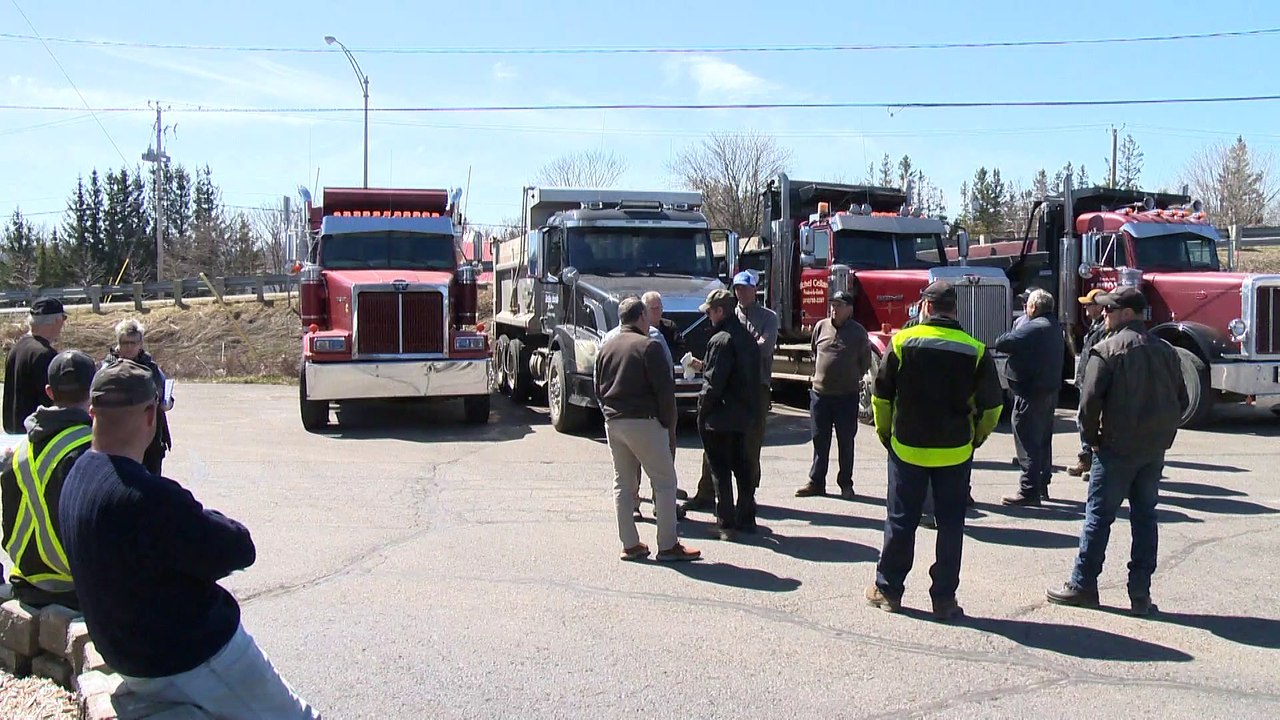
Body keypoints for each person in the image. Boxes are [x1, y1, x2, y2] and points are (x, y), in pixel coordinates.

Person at [59, 360, 320, 717]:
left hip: (129, 659)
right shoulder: (146, 498)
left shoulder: (76, 476)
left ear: (92, 412)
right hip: (191, 656)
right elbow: (237, 548)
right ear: (151, 414)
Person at [865, 281, 1003, 621]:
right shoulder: (975, 349)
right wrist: (976, 439)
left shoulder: (901, 342)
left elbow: (881, 396)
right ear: (955, 309)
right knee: (951, 526)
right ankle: (944, 599)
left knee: (901, 521)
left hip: (908, 448)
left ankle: (889, 590)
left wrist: (885, 433)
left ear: (925, 307)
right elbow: (992, 407)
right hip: (955, 451)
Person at [1047, 286, 1187, 617]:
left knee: (1098, 517)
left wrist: (1092, 440)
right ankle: (1140, 594)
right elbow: (1181, 399)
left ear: (1127, 314)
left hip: (1115, 447)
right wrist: (1162, 432)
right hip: (1152, 449)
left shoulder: (1107, 350)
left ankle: (1083, 584)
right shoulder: (1166, 350)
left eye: (1109, 309)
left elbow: (1088, 403)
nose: (1104, 314)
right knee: (1145, 517)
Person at [595, 297, 700, 562]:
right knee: (664, 482)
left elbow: (597, 387)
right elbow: (665, 391)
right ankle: (668, 545)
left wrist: (608, 414)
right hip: (645, 420)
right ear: (642, 317)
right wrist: (668, 424)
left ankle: (630, 544)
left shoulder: (606, 346)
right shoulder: (649, 346)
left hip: (614, 421)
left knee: (623, 483)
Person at [1, 350, 96, 610]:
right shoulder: (93, 450)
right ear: (93, 391)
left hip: (26, 583)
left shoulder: (18, 451)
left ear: (49, 392)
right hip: (75, 590)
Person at [682, 270, 777, 510]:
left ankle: (747, 497)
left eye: (745, 288)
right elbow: (723, 358)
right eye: (737, 289)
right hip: (726, 387)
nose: (741, 293)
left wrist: (737, 346)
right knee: (714, 443)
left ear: (755, 289)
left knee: (749, 444)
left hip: (756, 387)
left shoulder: (767, 317)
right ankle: (706, 493)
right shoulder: (730, 316)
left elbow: (763, 349)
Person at [696, 289, 760, 540]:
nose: (708, 317)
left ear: (720, 311)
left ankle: (726, 523)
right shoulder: (747, 337)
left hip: (721, 416)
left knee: (720, 470)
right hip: (744, 414)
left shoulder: (721, 340)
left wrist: (702, 411)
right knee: (743, 468)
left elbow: (713, 383)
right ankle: (747, 518)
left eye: (710, 312)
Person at [795, 291, 870, 500]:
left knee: (846, 441)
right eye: (833, 305)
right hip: (821, 395)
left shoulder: (858, 332)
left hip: (846, 396)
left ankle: (846, 483)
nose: (834, 309)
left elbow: (865, 362)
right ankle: (816, 482)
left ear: (849, 309)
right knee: (820, 439)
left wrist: (849, 376)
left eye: (839, 305)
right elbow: (815, 351)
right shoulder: (821, 327)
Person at [997, 289, 1065, 506]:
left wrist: (1021, 324)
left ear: (1033, 307)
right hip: (1047, 392)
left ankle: (1029, 491)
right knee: (1042, 441)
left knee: (1028, 442)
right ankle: (1041, 485)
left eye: (1027, 305)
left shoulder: (1034, 327)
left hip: (1030, 393)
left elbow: (1002, 342)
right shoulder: (1053, 326)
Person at [101, 319, 173, 476]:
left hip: (151, 440)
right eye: (124, 343)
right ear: (118, 343)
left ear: (141, 344)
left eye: (133, 343)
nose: (129, 347)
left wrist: (166, 404)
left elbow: (166, 395)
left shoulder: (152, 368)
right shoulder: (107, 369)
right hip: (118, 439)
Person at [3, 298, 66, 434]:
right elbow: (51, 401)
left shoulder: (16, 348)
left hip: (14, 432)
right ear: (57, 321)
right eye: (64, 318)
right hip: (35, 433)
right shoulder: (45, 354)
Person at [1068, 289, 1108, 479]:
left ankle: (1095, 466)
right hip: (1085, 381)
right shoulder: (1095, 326)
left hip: (1093, 384)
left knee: (1092, 423)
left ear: (1100, 307)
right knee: (1083, 421)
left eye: (1089, 305)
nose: (1085, 309)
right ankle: (1085, 460)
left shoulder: (1104, 329)